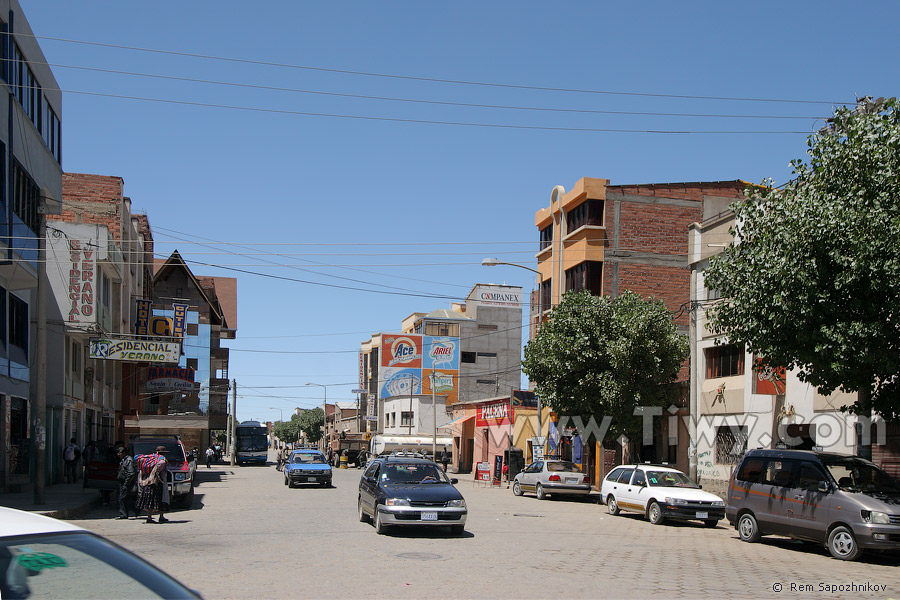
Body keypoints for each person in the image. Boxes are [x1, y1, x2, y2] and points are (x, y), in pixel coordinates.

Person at [136, 445, 169, 524]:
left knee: (150, 499)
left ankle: (149, 517)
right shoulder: (162, 460)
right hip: (158, 482)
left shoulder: (150, 458)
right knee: (161, 499)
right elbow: (159, 471)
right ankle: (161, 516)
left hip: (147, 481)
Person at [115, 446, 136, 519]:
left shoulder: (129, 460)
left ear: (124, 453)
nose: (118, 454)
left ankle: (124, 514)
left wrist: (126, 483)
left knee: (122, 498)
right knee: (125, 499)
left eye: (120, 453)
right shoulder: (123, 460)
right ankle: (133, 510)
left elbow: (131, 473)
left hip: (126, 483)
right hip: (123, 482)